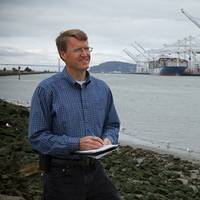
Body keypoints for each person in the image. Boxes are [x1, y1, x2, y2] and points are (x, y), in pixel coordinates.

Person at [28, 29, 120, 200]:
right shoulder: (47, 90)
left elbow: (112, 125)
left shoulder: (102, 89)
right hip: (61, 175)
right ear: (63, 54)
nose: (85, 54)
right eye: (78, 50)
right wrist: (76, 144)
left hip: (95, 170)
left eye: (87, 49)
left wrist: (108, 140)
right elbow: (37, 137)